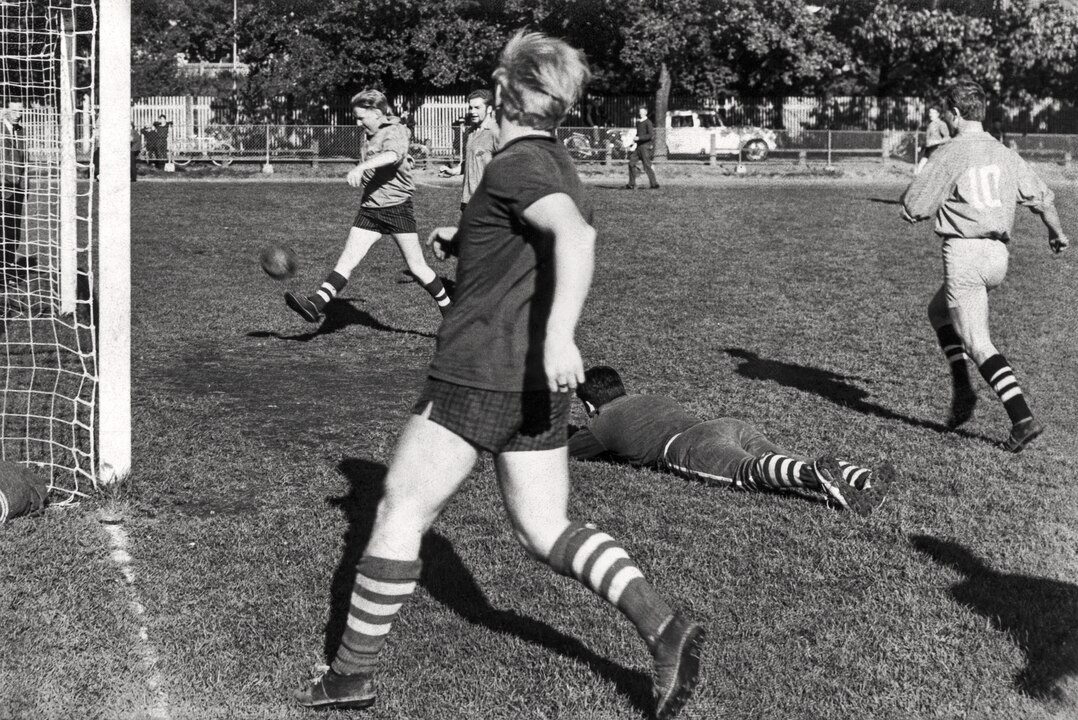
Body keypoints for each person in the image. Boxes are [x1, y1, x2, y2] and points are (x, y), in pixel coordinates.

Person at [294, 32, 705, 720]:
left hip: (483, 368)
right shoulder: (553, 163)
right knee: (544, 528)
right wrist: (470, 235)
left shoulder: (516, 166)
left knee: (399, 508)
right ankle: (663, 629)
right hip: (537, 387)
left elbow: (572, 236)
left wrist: (557, 335)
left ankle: (349, 677)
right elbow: (538, 239)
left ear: (501, 96)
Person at [901, 81, 1069, 452]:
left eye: (947, 112)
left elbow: (914, 208)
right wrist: (1056, 234)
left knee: (978, 341)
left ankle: (1021, 417)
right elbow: (1042, 198)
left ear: (956, 114)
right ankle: (961, 384)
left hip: (966, 255)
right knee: (937, 311)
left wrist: (910, 202)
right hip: (998, 256)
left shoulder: (950, 152)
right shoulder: (1003, 152)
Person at [569, 366, 891, 516]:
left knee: (752, 471)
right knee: (782, 457)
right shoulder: (650, 397)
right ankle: (862, 477)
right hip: (726, 424)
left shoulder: (602, 423)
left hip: (688, 446)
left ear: (588, 406)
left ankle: (816, 475)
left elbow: (565, 450)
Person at [285, 89, 451, 323]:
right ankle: (315, 304)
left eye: (362, 117)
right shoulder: (368, 140)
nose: (358, 122)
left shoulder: (396, 130)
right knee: (346, 261)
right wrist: (365, 173)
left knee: (417, 268)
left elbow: (392, 154)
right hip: (370, 210)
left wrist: (361, 168)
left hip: (397, 208)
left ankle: (450, 311)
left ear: (377, 112)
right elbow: (381, 166)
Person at [438, 89, 497, 215]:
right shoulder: (471, 132)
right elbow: (471, 161)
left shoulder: (495, 132)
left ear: (489, 109)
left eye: (477, 108)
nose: (472, 112)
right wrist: (453, 171)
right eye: (470, 107)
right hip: (467, 199)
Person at [0, 101, 34, 274]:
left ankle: (8, 268)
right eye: (14, 111)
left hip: (18, 190)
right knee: (2, 229)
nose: (18, 114)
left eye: (20, 111)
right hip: (2, 189)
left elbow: (26, 160)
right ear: (6, 110)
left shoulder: (21, 131)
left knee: (14, 230)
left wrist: (25, 184)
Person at [626, 105, 659, 190]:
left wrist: (639, 138)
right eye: (639, 111)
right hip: (638, 147)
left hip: (645, 147)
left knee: (647, 166)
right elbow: (638, 134)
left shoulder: (648, 122)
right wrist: (633, 142)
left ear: (646, 112)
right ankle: (631, 184)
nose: (640, 113)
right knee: (631, 163)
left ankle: (654, 184)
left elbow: (650, 135)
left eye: (642, 111)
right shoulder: (639, 123)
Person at [916, 105, 951, 174]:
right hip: (928, 152)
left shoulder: (941, 124)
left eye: (933, 113)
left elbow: (948, 138)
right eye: (930, 113)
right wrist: (921, 147)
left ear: (938, 114)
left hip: (937, 152)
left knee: (935, 173)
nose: (930, 115)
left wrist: (936, 142)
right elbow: (928, 140)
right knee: (918, 171)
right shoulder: (930, 124)